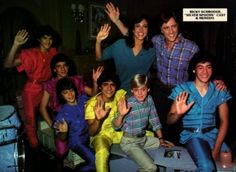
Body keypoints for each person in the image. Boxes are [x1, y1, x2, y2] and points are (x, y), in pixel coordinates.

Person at [105, 3, 226, 143]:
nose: (171, 31)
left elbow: (203, 65)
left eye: (173, 26)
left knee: (178, 130)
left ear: (178, 26)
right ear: (161, 30)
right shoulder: (156, 41)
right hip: (160, 91)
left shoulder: (191, 47)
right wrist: (116, 21)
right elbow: (135, 35)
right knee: (159, 127)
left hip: (181, 94)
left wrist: (216, 79)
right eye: (166, 28)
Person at [167, 52, 232, 171]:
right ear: (194, 70)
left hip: (213, 134)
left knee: (227, 158)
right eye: (200, 67)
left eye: (208, 67)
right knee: (207, 167)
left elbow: (225, 120)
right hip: (193, 135)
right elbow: (169, 120)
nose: (205, 72)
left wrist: (216, 149)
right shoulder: (183, 89)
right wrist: (178, 114)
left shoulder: (219, 90)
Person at [3, 25, 59, 149]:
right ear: (39, 39)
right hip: (32, 89)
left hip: (47, 86)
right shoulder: (30, 54)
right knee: (30, 119)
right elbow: (7, 64)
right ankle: (34, 147)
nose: (48, 41)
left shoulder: (53, 52)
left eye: (50, 38)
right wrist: (15, 45)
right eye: (45, 38)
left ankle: (59, 134)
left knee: (57, 107)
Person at [39, 53, 103, 158]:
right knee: (61, 152)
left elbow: (93, 94)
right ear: (54, 69)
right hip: (62, 119)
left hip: (79, 116)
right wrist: (52, 125)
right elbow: (42, 107)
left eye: (65, 65)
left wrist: (95, 82)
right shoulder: (50, 85)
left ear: (68, 67)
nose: (62, 69)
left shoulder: (75, 80)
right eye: (59, 66)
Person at [112, 74, 173, 172]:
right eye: (136, 90)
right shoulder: (128, 103)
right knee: (151, 168)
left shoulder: (149, 99)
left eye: (143, 89)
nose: (140, 93)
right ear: (132, 90)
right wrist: (121, 115)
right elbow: (115, 126)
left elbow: (155, 120)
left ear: (148, 89)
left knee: (170, 145)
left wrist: (161, 139)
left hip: (143, 139)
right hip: (129, 142)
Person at [95, 14, 155, 96]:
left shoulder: (152, 50)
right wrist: (98, 41)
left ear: (148, 30)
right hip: (121, 94)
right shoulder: (120, 45)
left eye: (145, 26)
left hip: (141, 95)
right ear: (133, 29)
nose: (141, 29)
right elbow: (99, 58)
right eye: (137, 26)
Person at [84, 70, 126, 172]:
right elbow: (91, 132)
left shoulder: (119, 95)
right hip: (101, 135)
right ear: (100, 87)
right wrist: (99, 119)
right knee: (102, 152)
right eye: (105, 84)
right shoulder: (92, 104)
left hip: (118, 133)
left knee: (149, 134)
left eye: (112, 85)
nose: (109, 88)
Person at [54, 77, 96, 172]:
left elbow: (95, 96)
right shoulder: (62, 114)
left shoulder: (82, 99)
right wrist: (64, 132)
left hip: (90, 136)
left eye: (71, 90)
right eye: (65, 92)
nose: (70, 94)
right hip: (77, 142)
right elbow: (62, 138)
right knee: (95, 161)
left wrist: (95, 81)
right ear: (61, 95)